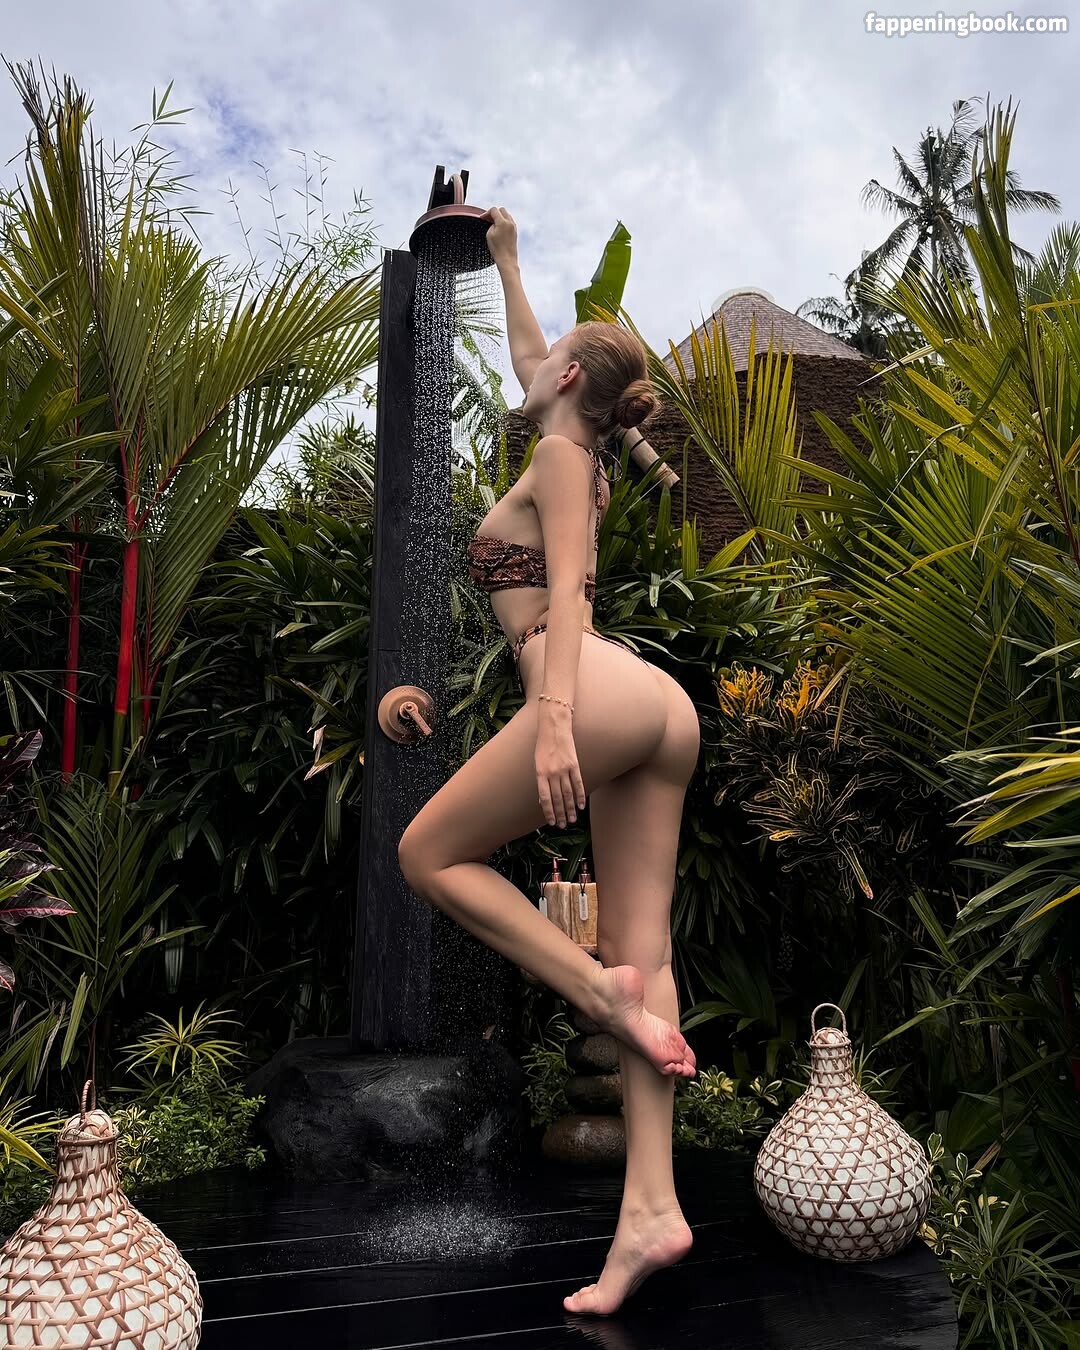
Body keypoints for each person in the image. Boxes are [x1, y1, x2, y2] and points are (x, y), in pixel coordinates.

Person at [396, 205, 702, 1317]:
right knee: (645, 952)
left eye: (551, 359)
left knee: (428, 854)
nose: (531, 368)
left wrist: (558, 717)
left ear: (570, 378)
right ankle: (651, 1209)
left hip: (590, 689)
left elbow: (565, 589)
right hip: (659, 709)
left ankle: (597, 996)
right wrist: (507, 261)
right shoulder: (579, 441)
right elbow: (538, 362)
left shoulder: (559, 454)